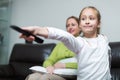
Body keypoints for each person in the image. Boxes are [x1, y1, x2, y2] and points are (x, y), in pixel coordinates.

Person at [20, 6, 111, 80]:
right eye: (83, 19)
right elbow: (64, 36)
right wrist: (38, 30)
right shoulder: (79, 43)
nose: (87, 21)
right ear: (80, 25)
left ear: (98, 23)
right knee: (33, 77)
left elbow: (107, 60)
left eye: (91, 18)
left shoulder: (104, 39)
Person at [25, 16, 81, 80]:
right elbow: (49, 60)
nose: (70, 27)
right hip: (56, 73)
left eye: (73, 25)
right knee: (33, 77)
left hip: (71, 76)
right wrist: (49, 66)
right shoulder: (60, 45)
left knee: (45, 78)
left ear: (80, 27)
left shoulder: (83, 43)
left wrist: (65, 65)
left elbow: (86, 65)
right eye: (67, 26)